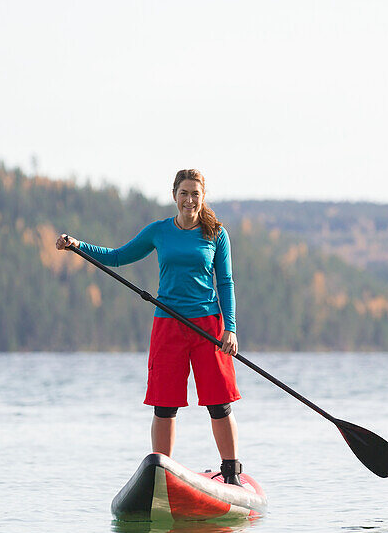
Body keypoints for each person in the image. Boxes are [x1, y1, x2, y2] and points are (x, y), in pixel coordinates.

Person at [55, 169, 245, 485]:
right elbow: (117, 257)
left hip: (208, 327)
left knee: (218, 403)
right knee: (165, 404)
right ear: (174, 196)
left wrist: (231, 329)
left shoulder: (217, 234)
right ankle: (164, 474)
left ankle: (230, 473)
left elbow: (225, 281)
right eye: (184, 193)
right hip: (168, 324)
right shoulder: (159, 232)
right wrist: (78, 245)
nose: (189, 200)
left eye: (195, 194)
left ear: (203, 197)